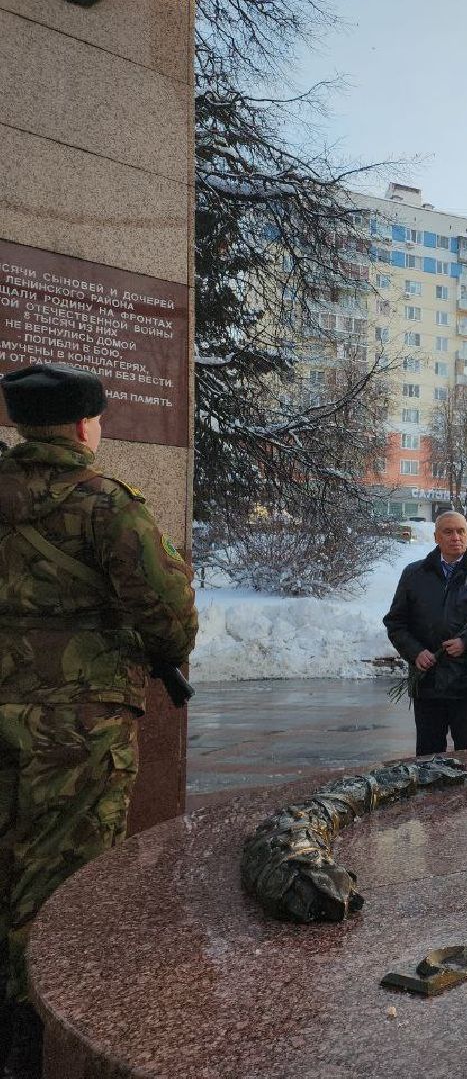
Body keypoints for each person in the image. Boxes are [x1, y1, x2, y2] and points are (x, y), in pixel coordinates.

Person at [0, 364, 198, 1074]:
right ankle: (43, 1043)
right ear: (86, 425)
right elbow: (168, 619)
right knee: (63, 888)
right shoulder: (106, 503)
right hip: (76, 733)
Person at [383, 511, 467, 755]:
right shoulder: (414, 574)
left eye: (461, 531)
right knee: (428, 756)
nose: (456, 537)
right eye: (448, 531)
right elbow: (396, 622)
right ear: (436, 537)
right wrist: (415, 652)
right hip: (427, 681)